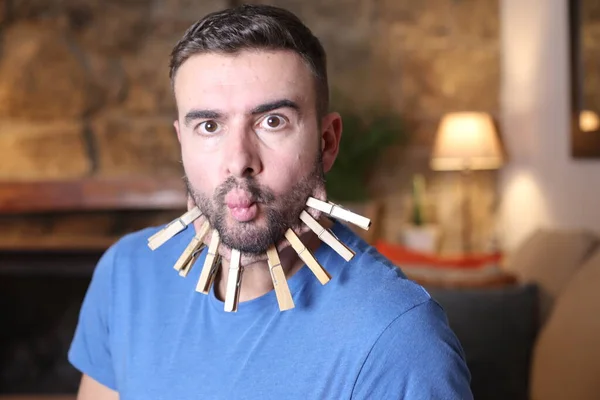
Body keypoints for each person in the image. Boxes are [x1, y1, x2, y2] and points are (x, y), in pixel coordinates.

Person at [68, 4, 473, 399]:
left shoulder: (399, 339)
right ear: (182, 142)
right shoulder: (126, 274)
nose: (239, 161)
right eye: (209, 126)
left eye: (272, 121)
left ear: (327, 142)